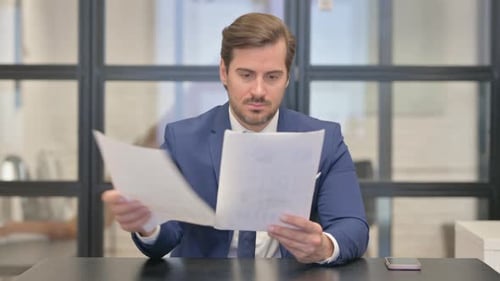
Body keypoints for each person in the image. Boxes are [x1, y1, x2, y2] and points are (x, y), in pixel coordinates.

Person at [102, 12, 368, 265]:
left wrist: (323, 246)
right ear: (224, 72)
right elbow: (165, 237)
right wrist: (147, 225)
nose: (259, 91)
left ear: (287, 78)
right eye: (246, 75)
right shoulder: (182, 139)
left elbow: (352, 226)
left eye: (272, 77)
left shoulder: (325, 139)